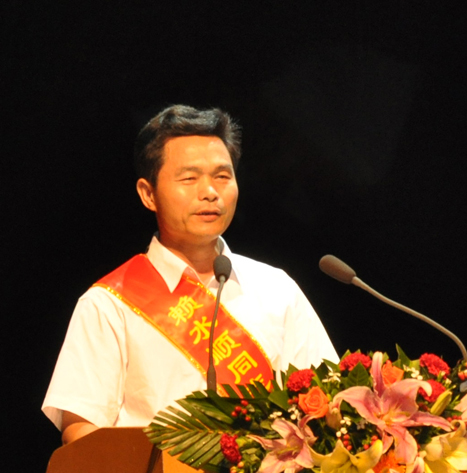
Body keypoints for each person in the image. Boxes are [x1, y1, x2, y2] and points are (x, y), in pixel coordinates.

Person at [42, 104, 338, 444]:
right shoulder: (109, 304)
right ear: (148, 194)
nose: (210, 191)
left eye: (222, 176)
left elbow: (327, 402)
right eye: (189, 178)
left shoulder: (277, 289)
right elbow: (81, 432)